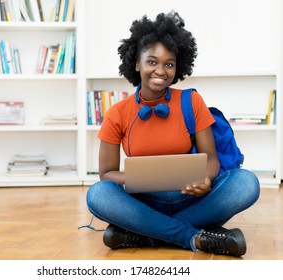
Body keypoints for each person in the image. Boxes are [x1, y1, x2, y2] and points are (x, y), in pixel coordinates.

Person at [86, 10, 260, 257]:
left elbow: (211, 159)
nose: (161, 71)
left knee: (246, 182)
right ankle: (194, 237)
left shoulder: (192, 102)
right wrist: (137, 179)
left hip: (191, 198)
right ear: (136, 63)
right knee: (98, 194)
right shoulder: (117, 113)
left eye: (169, 64)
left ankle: (145, 234)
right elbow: (106, 174)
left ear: (177, 67)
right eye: (152, 62)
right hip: (143, 202)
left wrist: (206, 180)